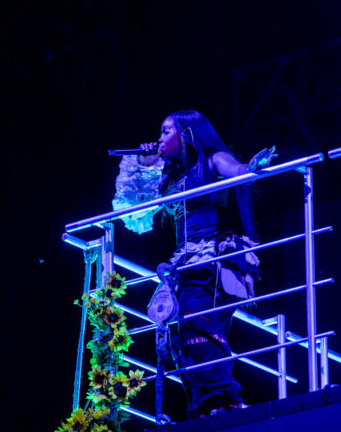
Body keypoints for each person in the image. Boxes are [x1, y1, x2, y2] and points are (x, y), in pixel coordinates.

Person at [113, 110, 275, 418]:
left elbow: (239, 170)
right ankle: (203, 407)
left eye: (166, 131)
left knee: (195, 327)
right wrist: (146, 164)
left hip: (213, 259)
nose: (159, 138)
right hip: (186, 265)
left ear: (186, 134)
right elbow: (132, 212)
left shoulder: (212, 161)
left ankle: (221, 404)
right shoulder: (170, 176)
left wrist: (253, 167)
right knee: (182, 335)